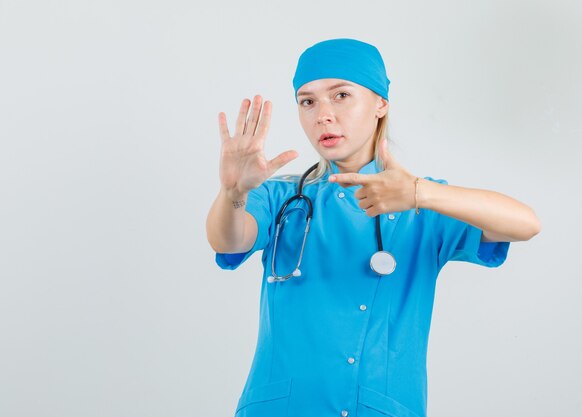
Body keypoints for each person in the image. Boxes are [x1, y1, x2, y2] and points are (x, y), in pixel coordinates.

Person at [206, 38, 541, 417]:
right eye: (307, 101)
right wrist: (232, 192)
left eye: (342, 95)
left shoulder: (422, 206)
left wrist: (420, 192)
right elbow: (228, 238)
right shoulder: (280, 197)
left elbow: (525, 224)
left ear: (381, 104)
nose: (323, 115)